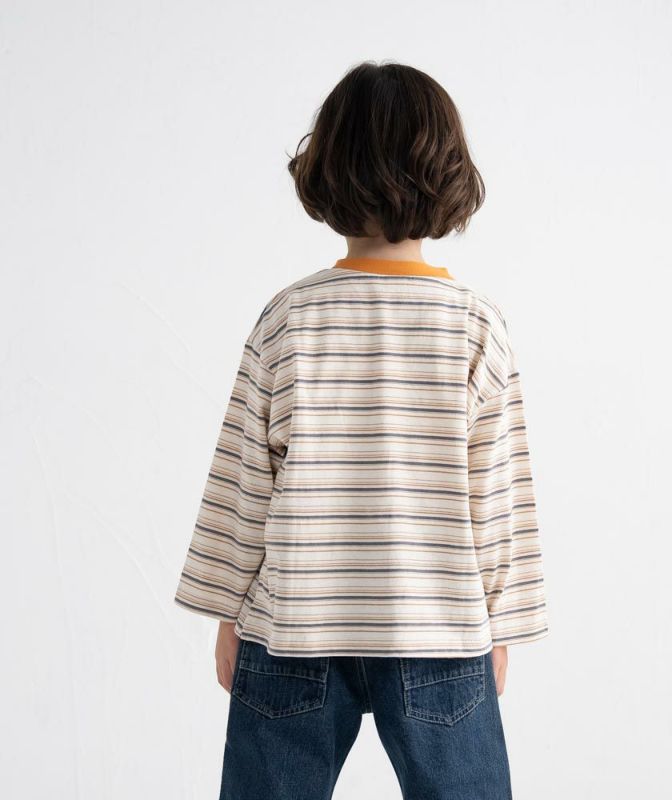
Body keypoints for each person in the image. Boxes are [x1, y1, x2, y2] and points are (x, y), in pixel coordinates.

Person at [173, 60, 548, 800]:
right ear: (449, 172)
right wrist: (500, 622)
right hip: (439, 628)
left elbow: (244, 480)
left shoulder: (290, 318)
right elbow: (497, 497)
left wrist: (227, 608)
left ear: (327, 170)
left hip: (294, 626)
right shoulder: (476, 327)